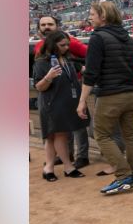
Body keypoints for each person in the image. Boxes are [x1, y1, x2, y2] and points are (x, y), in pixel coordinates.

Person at [77, 0, 133, 195]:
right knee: (130, 135)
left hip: (110, 95)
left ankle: (124, 176)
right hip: (131, 94)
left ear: (103, 16)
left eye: (92, 13)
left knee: (102, 135)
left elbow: (91, 73)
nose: (89, 17)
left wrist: (81, 101)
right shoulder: (127, 37)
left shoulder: (98, 37)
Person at [32, 14, 91, 169]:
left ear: (56, 26)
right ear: (39, 28)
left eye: (50, 24)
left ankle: (82, 156)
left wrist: (80, 70)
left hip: (71, 85)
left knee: (77, 123)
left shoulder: (69, 41)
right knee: (63, 126)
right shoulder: (40, 45)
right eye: (43, 25)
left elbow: (89, 53)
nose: (46, 27)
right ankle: (67, 155)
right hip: (52, 90)